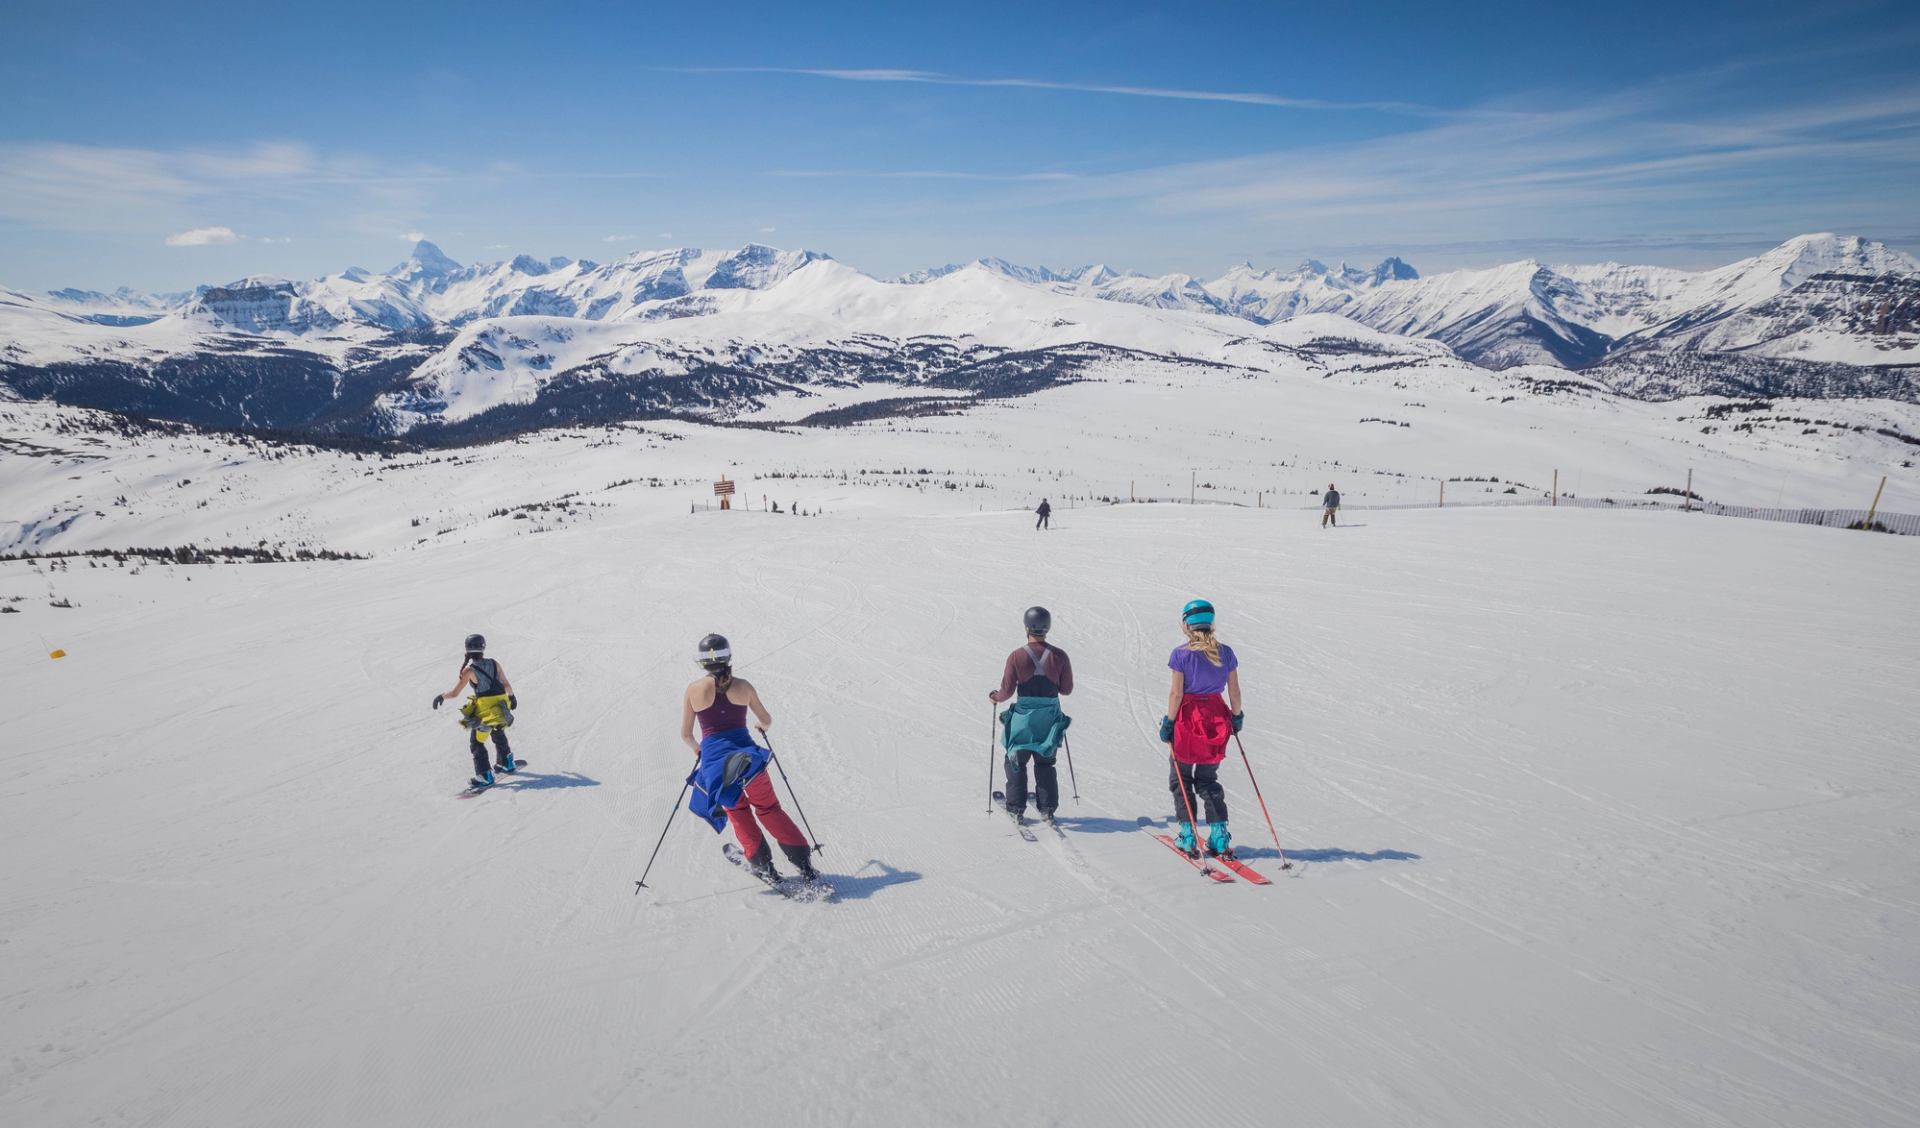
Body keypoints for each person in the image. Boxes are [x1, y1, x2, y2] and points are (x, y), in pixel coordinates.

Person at [679, 634, 818, 883]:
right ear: (728, 656)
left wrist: (699, 750)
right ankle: (804, 864)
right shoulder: (744, 686)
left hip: (717, 767)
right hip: (749, 761)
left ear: (701, 662)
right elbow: (766, 720)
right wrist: (761, 726)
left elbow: (686, 735)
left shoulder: (693, 690)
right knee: (769, 808)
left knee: (738, 811)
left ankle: (763, 865)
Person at [1158, 600, 1242, 857]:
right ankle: (1218, 835)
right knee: (1208, 778)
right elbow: (1234, 691)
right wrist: (1236, 717)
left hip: (1188, 717)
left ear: (1187, 624)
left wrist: (1169, 722)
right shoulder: (1225, 653)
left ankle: (1187, 834)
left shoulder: (1181, 654)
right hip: (1216, 717)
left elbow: (1176, 693)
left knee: (1181, 778)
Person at [989, 606, 1073, 822]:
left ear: (1026, 627)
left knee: (1016, 760)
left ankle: (1016, 807)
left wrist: (995, 697)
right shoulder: (1060, 656)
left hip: (1023, 719)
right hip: (1049, 718)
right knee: (1045, 762)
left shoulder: (1016, 656)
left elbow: (1006, 692)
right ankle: (1047, 808)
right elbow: (1066, 689)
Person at [431, 633, 517, 787]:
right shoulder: (494, 663)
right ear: (483, 647)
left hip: (485, 712)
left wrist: (441, 696)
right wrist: (512, 697)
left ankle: (485, 775)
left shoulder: (469, 671)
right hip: (501, 709)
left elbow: (455, 693)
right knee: (498, 729)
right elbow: (506, 684)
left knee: (476, 742)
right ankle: (507, 762)